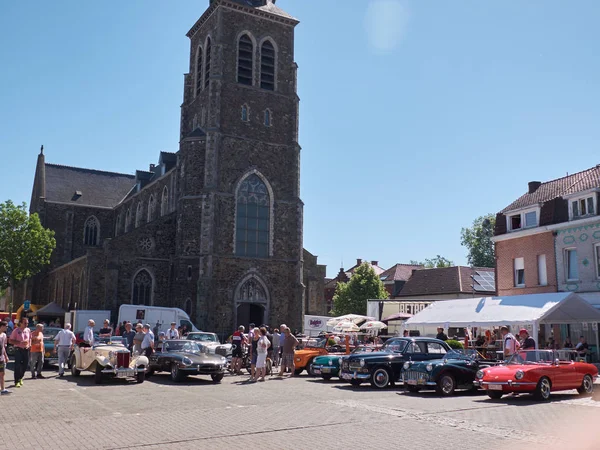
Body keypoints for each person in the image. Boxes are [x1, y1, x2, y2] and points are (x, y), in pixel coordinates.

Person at [9, 317, 31, 388]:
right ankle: (16, 381)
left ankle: (21, 377)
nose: (26, 324)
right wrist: (20, 342)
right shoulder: (16, 330)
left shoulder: (28, 330)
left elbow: (30, 338)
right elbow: (10, 340)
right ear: (21, 323)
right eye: (25, 323)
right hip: (18, 349)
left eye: (27, 323)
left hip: (26, 349)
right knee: (17, 365)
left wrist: (29, 345)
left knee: (25, 365)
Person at [0, 321, 10, 395]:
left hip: (1, 358)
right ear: (1, 326)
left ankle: (3, 389)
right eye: (6, 326)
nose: (7, 327)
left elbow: (3, 347)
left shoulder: (4, 335)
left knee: (2, 373)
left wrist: (6, 356)